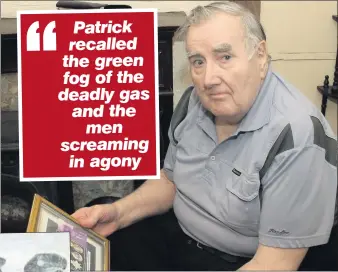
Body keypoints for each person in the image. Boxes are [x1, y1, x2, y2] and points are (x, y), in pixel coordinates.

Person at [72, 1, 338, 270]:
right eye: (198, 61)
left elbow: (274, 264)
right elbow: (171, 180)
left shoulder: (297, 136)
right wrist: (118, 215)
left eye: (224, 57)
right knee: (102, 227)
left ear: (260, 56)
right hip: (181, 236)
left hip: (242, 261)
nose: (209, 78)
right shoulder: (194, 101)